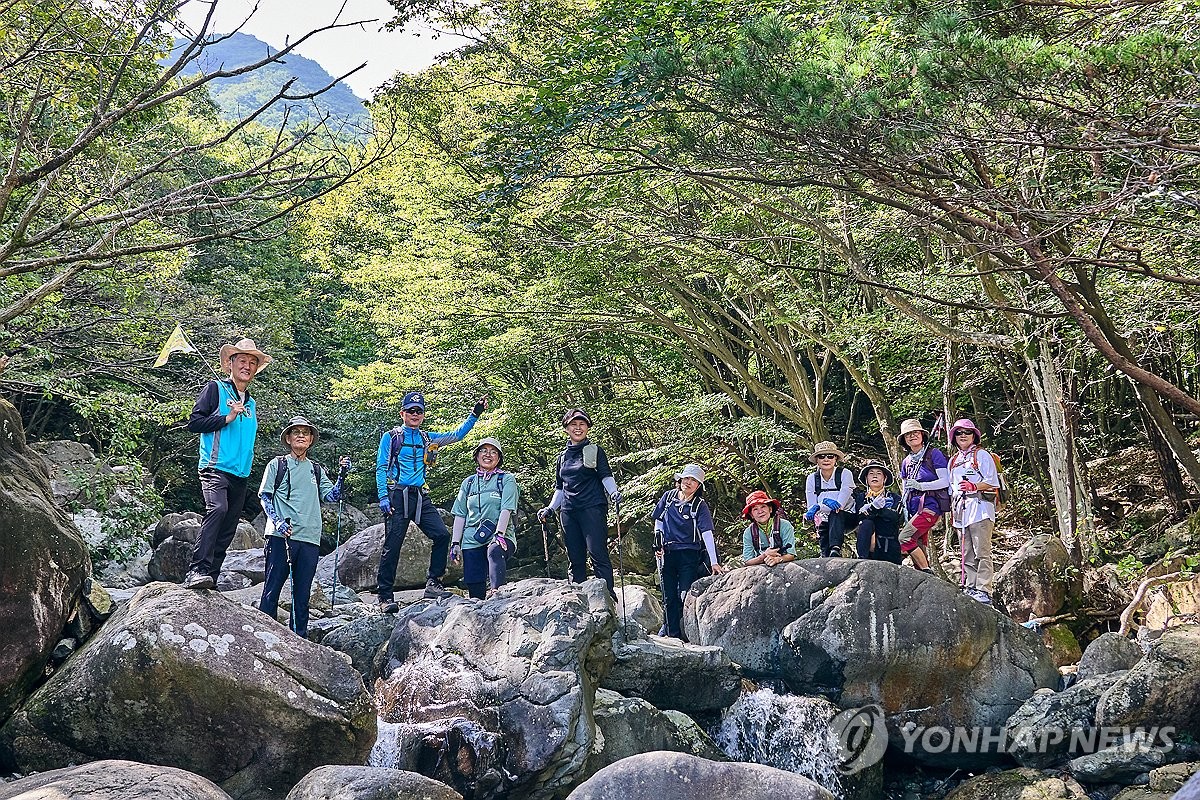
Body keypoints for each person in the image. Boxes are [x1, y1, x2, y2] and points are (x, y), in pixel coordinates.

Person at [375, 391, 486, 611]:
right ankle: (385, 596)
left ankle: (434, 583)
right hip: (398, 494)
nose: (415, 414)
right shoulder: (392, 437)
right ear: (402, 413)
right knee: (392, 546)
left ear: (423, 415)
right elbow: (381, 467)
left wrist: (475, 414)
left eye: (419, 411)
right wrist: (383, 497)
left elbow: (457, 435)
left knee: (442, 535)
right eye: (411, 410)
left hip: (419, 496)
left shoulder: (427, 438)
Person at [183, 338, 271, 590]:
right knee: (217, 510)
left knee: (230, 525)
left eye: (252, 363)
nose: (247, 366)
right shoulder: (215, 389)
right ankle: (196, 570)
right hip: (214, 467)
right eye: (242, 361)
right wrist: (227, 417)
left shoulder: (251, 404)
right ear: (230, 364)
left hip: (240, 475)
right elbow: (195, 423)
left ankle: (210, 576)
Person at [257, 417, 349, 637]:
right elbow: (265, 496)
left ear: (310, 440)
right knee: (272, 589)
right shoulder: (276, 465)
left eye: (305, 433)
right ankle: (263, 636)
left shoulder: (316, 470)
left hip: (309, 538)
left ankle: (299, 638)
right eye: (296, 432)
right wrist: (277, 521)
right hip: (281, 536)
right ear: (288, 439)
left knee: (302, 593)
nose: (301, 435)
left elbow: (332, 495)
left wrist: (342, 476)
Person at [538, 409, 622, 593]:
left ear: (588, 428)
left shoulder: (595, 451)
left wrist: (614, 492)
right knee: (575, 558)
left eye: (582, 424)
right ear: (566, 428)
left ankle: (607, 596)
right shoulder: (562, 457)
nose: (578, 428)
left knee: (598, 554)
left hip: (592, 508)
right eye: (573, 425)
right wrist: (551, 509)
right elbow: (560, 488)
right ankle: (578, 598)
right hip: (568, 512)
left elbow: (605, 476)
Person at [651, 464, 723, 639]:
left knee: (683, 594)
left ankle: (682, 633)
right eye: (686, 478)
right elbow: (658, 520)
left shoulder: (700, 505)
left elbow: (706, 533)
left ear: (698, 486)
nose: (688, 482)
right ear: (680, 479)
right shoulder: (668, 497)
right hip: (667, 552)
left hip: (689, 554)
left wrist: (714, 562)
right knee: (668, 595)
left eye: (694, 480)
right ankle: (670, 633)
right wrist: (657, 539)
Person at [449, 438, 518, 600]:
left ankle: (497, 594)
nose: (488, 455)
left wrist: (499, 534)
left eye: (493, 452)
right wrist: (455, 543)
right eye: (484, 451)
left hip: (501, 535)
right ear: (477, 455)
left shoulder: (506, 479)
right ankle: (478, 608)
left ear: (499, 458)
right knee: (474, 585)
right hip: (471, 537)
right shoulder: (468, 483)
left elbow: (506, 508)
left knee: (494, 550)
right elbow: (460, 514)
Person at [948, 418, 1000, 604]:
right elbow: (951, 488)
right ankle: (970, 586)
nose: (963, 436)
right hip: (961, 511)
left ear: (974, 436)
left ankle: (984, 589)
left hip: (980, 509)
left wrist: (973, 486)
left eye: (967, 433)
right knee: (966, 552)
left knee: (982, 551)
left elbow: (993, 482)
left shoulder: (982, 455)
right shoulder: (954, 460)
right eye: (959, 433)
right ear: (954, 437)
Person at [897, 418, 950, 572]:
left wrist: (922, 486)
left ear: (922, 434)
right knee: (918, 542)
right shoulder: (907, 462)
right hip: (913, 506)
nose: (912, 436)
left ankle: (927, 570)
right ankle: (921, 574)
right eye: (908, 435)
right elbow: (905, 487)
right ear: (904, 440)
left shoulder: (933, 454)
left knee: (905, 538)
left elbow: (945, 481)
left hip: (930, 505)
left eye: (915, 432)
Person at [804, 441, 856, 558]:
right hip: (824, 521)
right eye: (822, 456)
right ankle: (826, 554)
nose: (826, 459)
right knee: (825, 552)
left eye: (830, 456)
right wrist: (814, 510)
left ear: (835, 459)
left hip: (847, 517)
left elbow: (839, 505)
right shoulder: (812, 479)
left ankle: (835, 548)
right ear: (817, 460)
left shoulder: (845, 474)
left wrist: (820, 505)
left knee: (835, 514)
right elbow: (811, 506)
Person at [851, 461, 904, 563]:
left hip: (889, 547)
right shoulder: (861, 498)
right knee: (866, 523)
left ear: (885, 478)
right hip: (868, 549)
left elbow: (895, 517)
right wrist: (874, 508)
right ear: (866, 479)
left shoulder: (894, 498)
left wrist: (873, 510)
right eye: (871, 473)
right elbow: (860, 517)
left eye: (879, 473)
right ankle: (862, 559)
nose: (874, 476)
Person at [741, 490, 797, 567]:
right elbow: (747, 561)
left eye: (763, 506)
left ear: (770, 509)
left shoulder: (785, 525)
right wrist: (764, 556)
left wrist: (777, 559)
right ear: (751, 515)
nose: (760, 511)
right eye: (755, 509)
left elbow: (791, 554)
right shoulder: (748, 532)